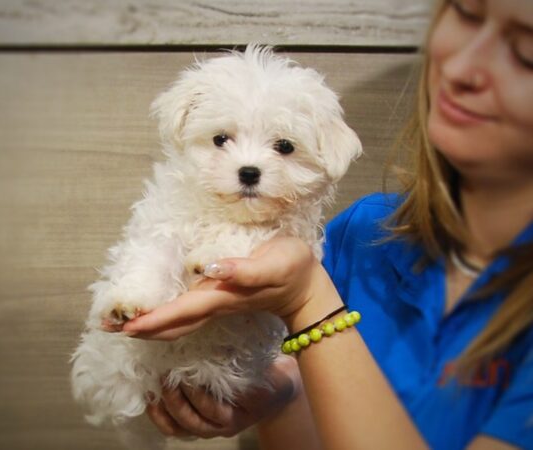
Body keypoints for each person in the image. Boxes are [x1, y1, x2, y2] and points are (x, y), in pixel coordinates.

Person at [120, 0, 533, 448]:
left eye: (527, 50)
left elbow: (307, 302)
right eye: (467, 13)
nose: (463, 67)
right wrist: (277, 394)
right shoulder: (370, 229)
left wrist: (308, 299)